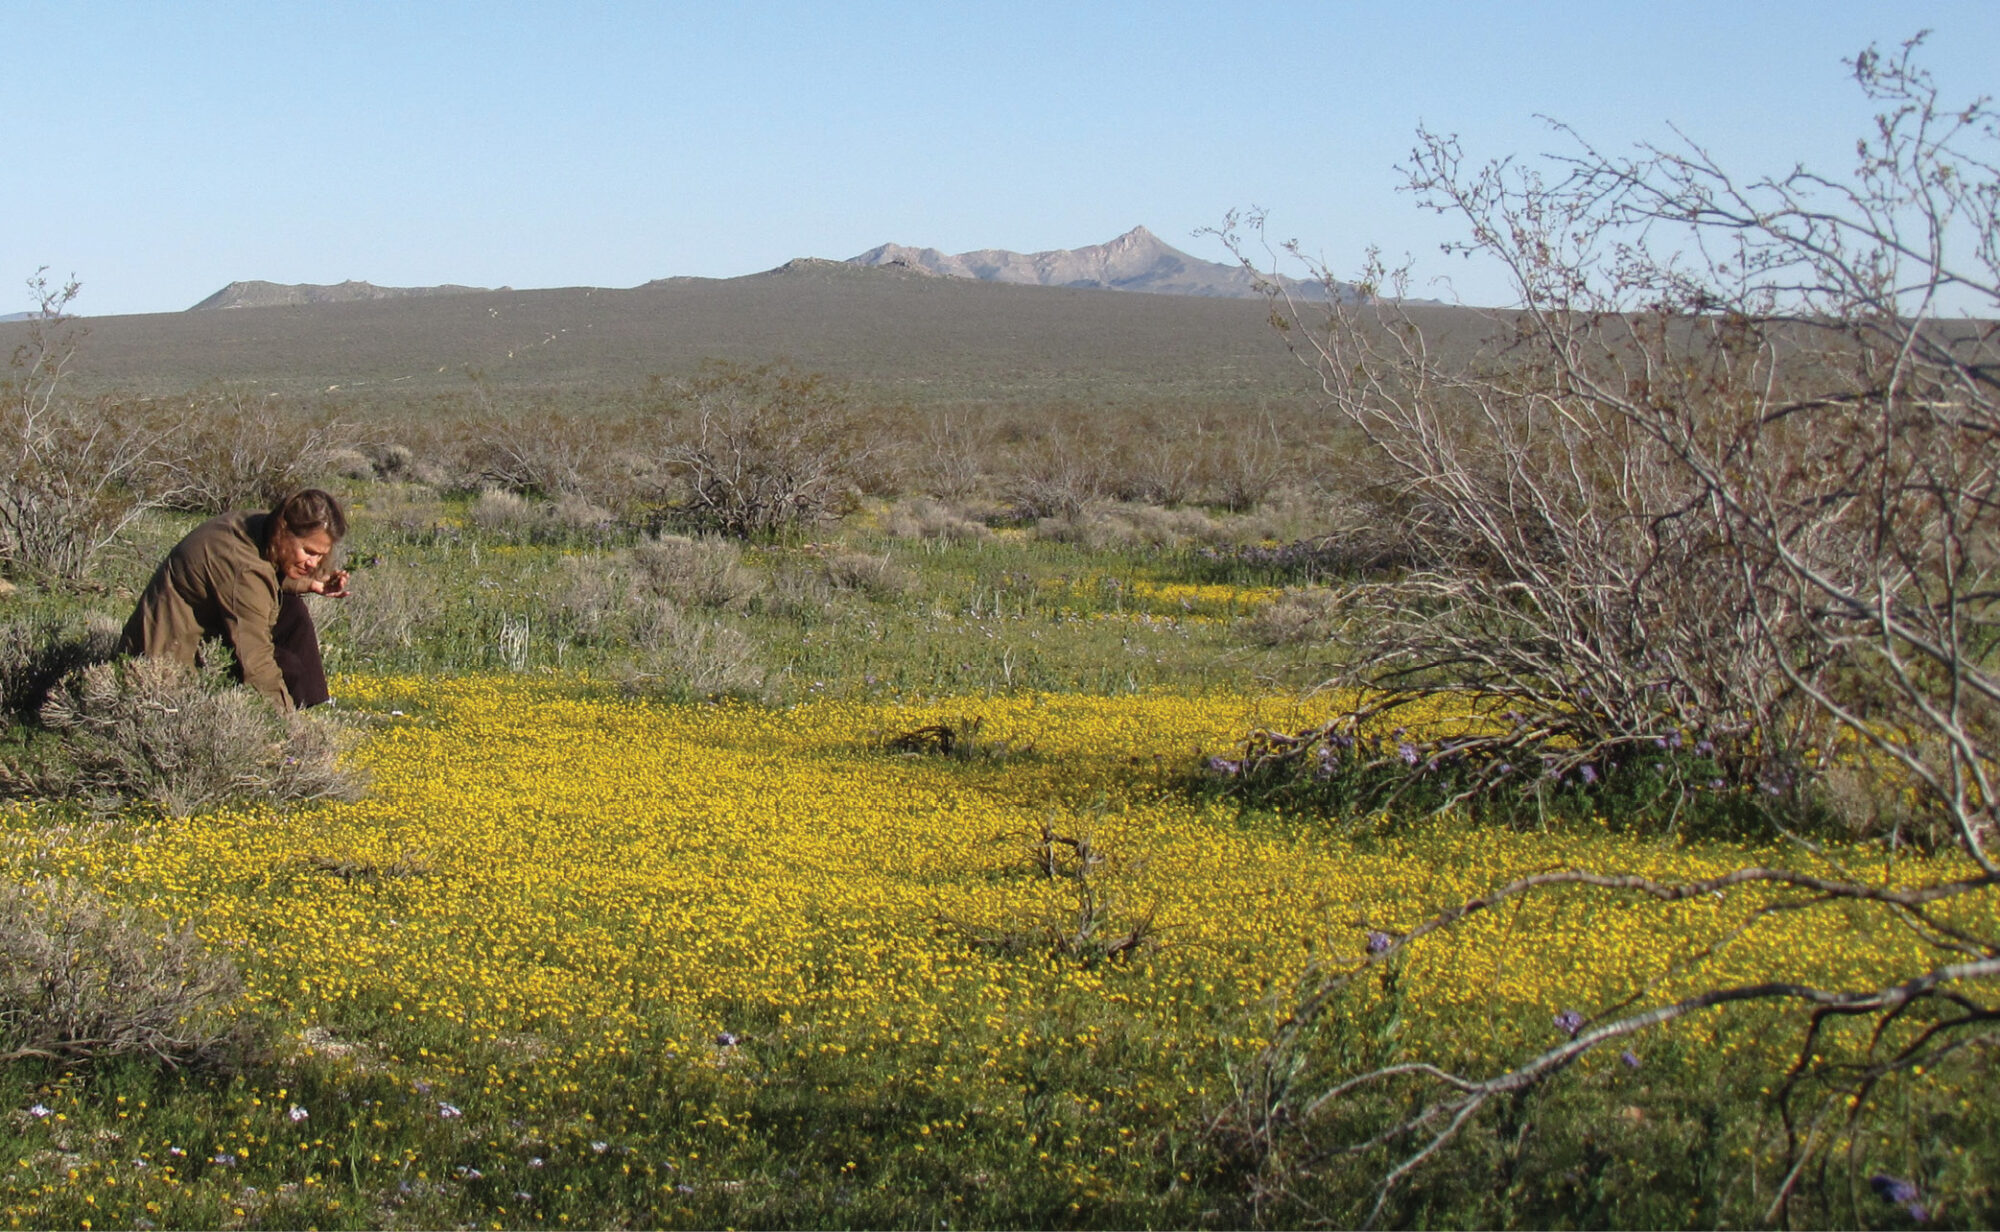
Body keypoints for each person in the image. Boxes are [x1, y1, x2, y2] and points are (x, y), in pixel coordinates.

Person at [119, 489, 350, 712]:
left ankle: (306, 705)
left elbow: (264, 571)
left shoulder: (258, 524)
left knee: (292, 611)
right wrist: (286, 728)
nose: (314, 563)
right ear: (284, 530)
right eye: (308, 551)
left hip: (204, 629)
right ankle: (283, 721)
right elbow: (256, 661)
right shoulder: (244, 570)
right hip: (163, 666)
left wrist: (308, 583)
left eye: (320, 555)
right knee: (284, 666)